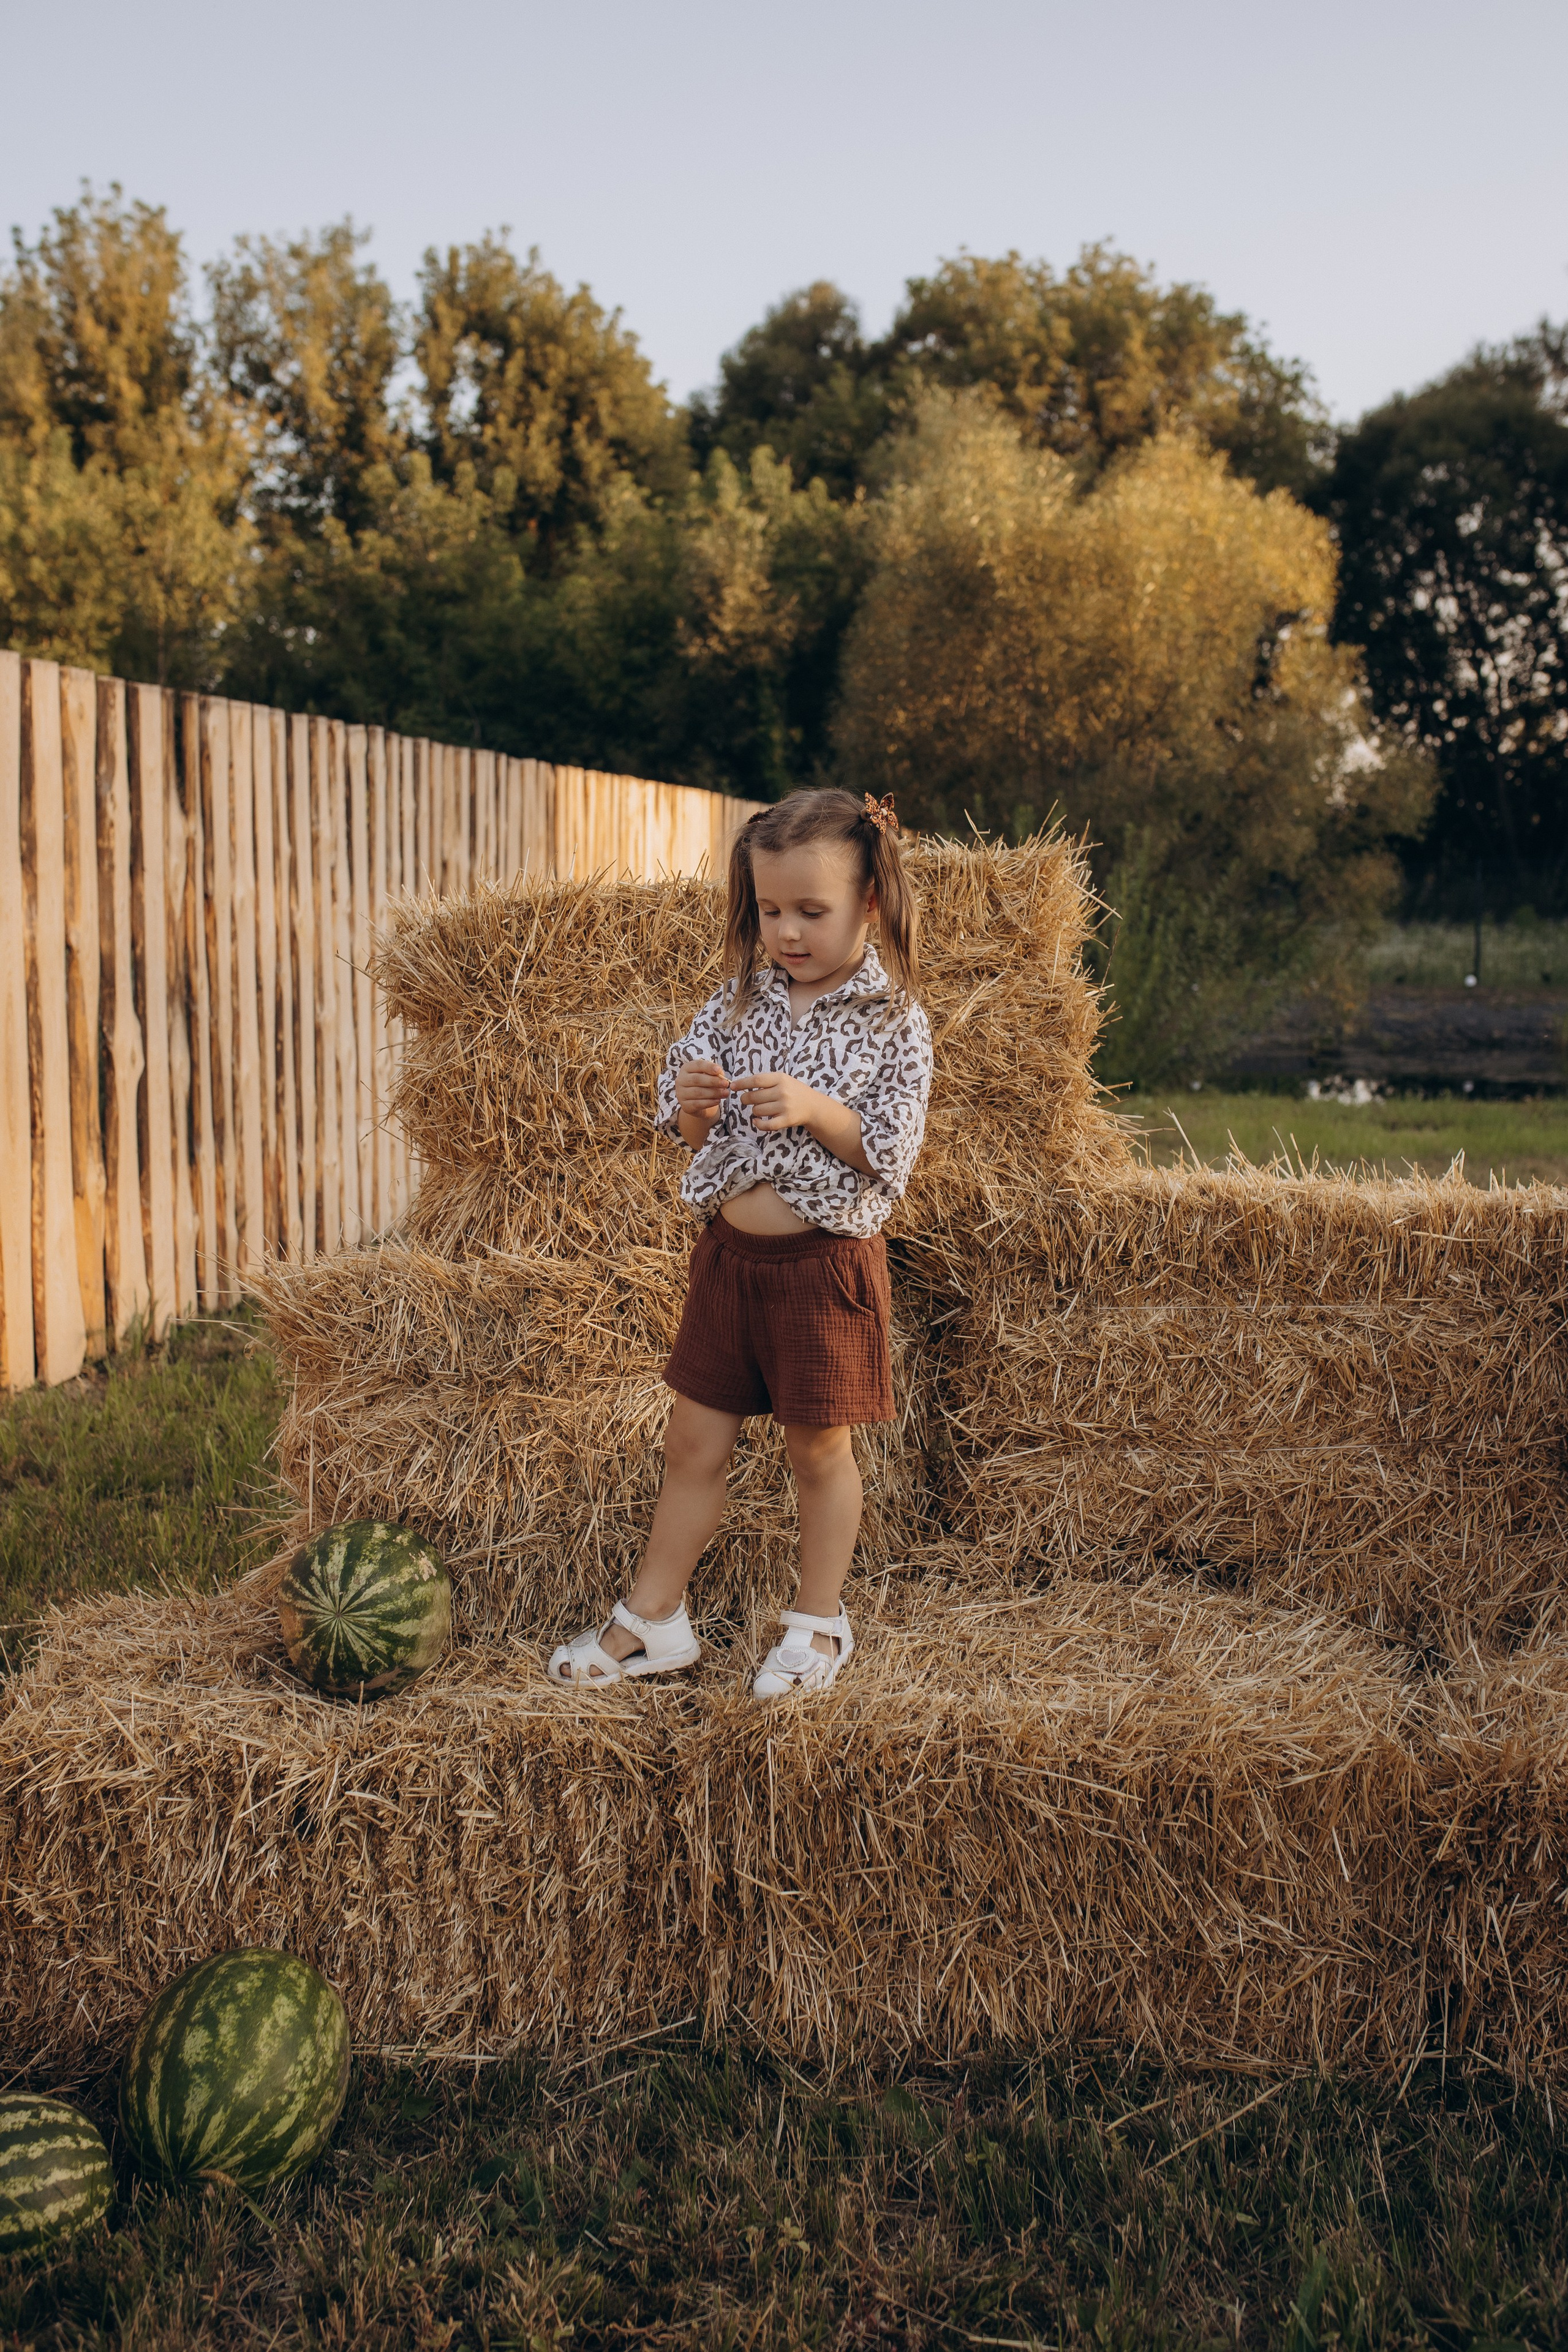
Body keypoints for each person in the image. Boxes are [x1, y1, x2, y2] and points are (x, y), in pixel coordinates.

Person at [548, 787, 932, 1698]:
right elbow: (691, 1136)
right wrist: (691, 1106)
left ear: (869, 900)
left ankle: (818, 1623)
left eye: (812, 910)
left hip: (821, 1269)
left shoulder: (894, 1019)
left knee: (817, 1450)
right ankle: (656, 1619)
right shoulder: (739, 1003)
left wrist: (814, 1109)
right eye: (770, 911)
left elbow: (891, 1152)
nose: (787, 932)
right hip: (729, 1265)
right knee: (693, 1442)